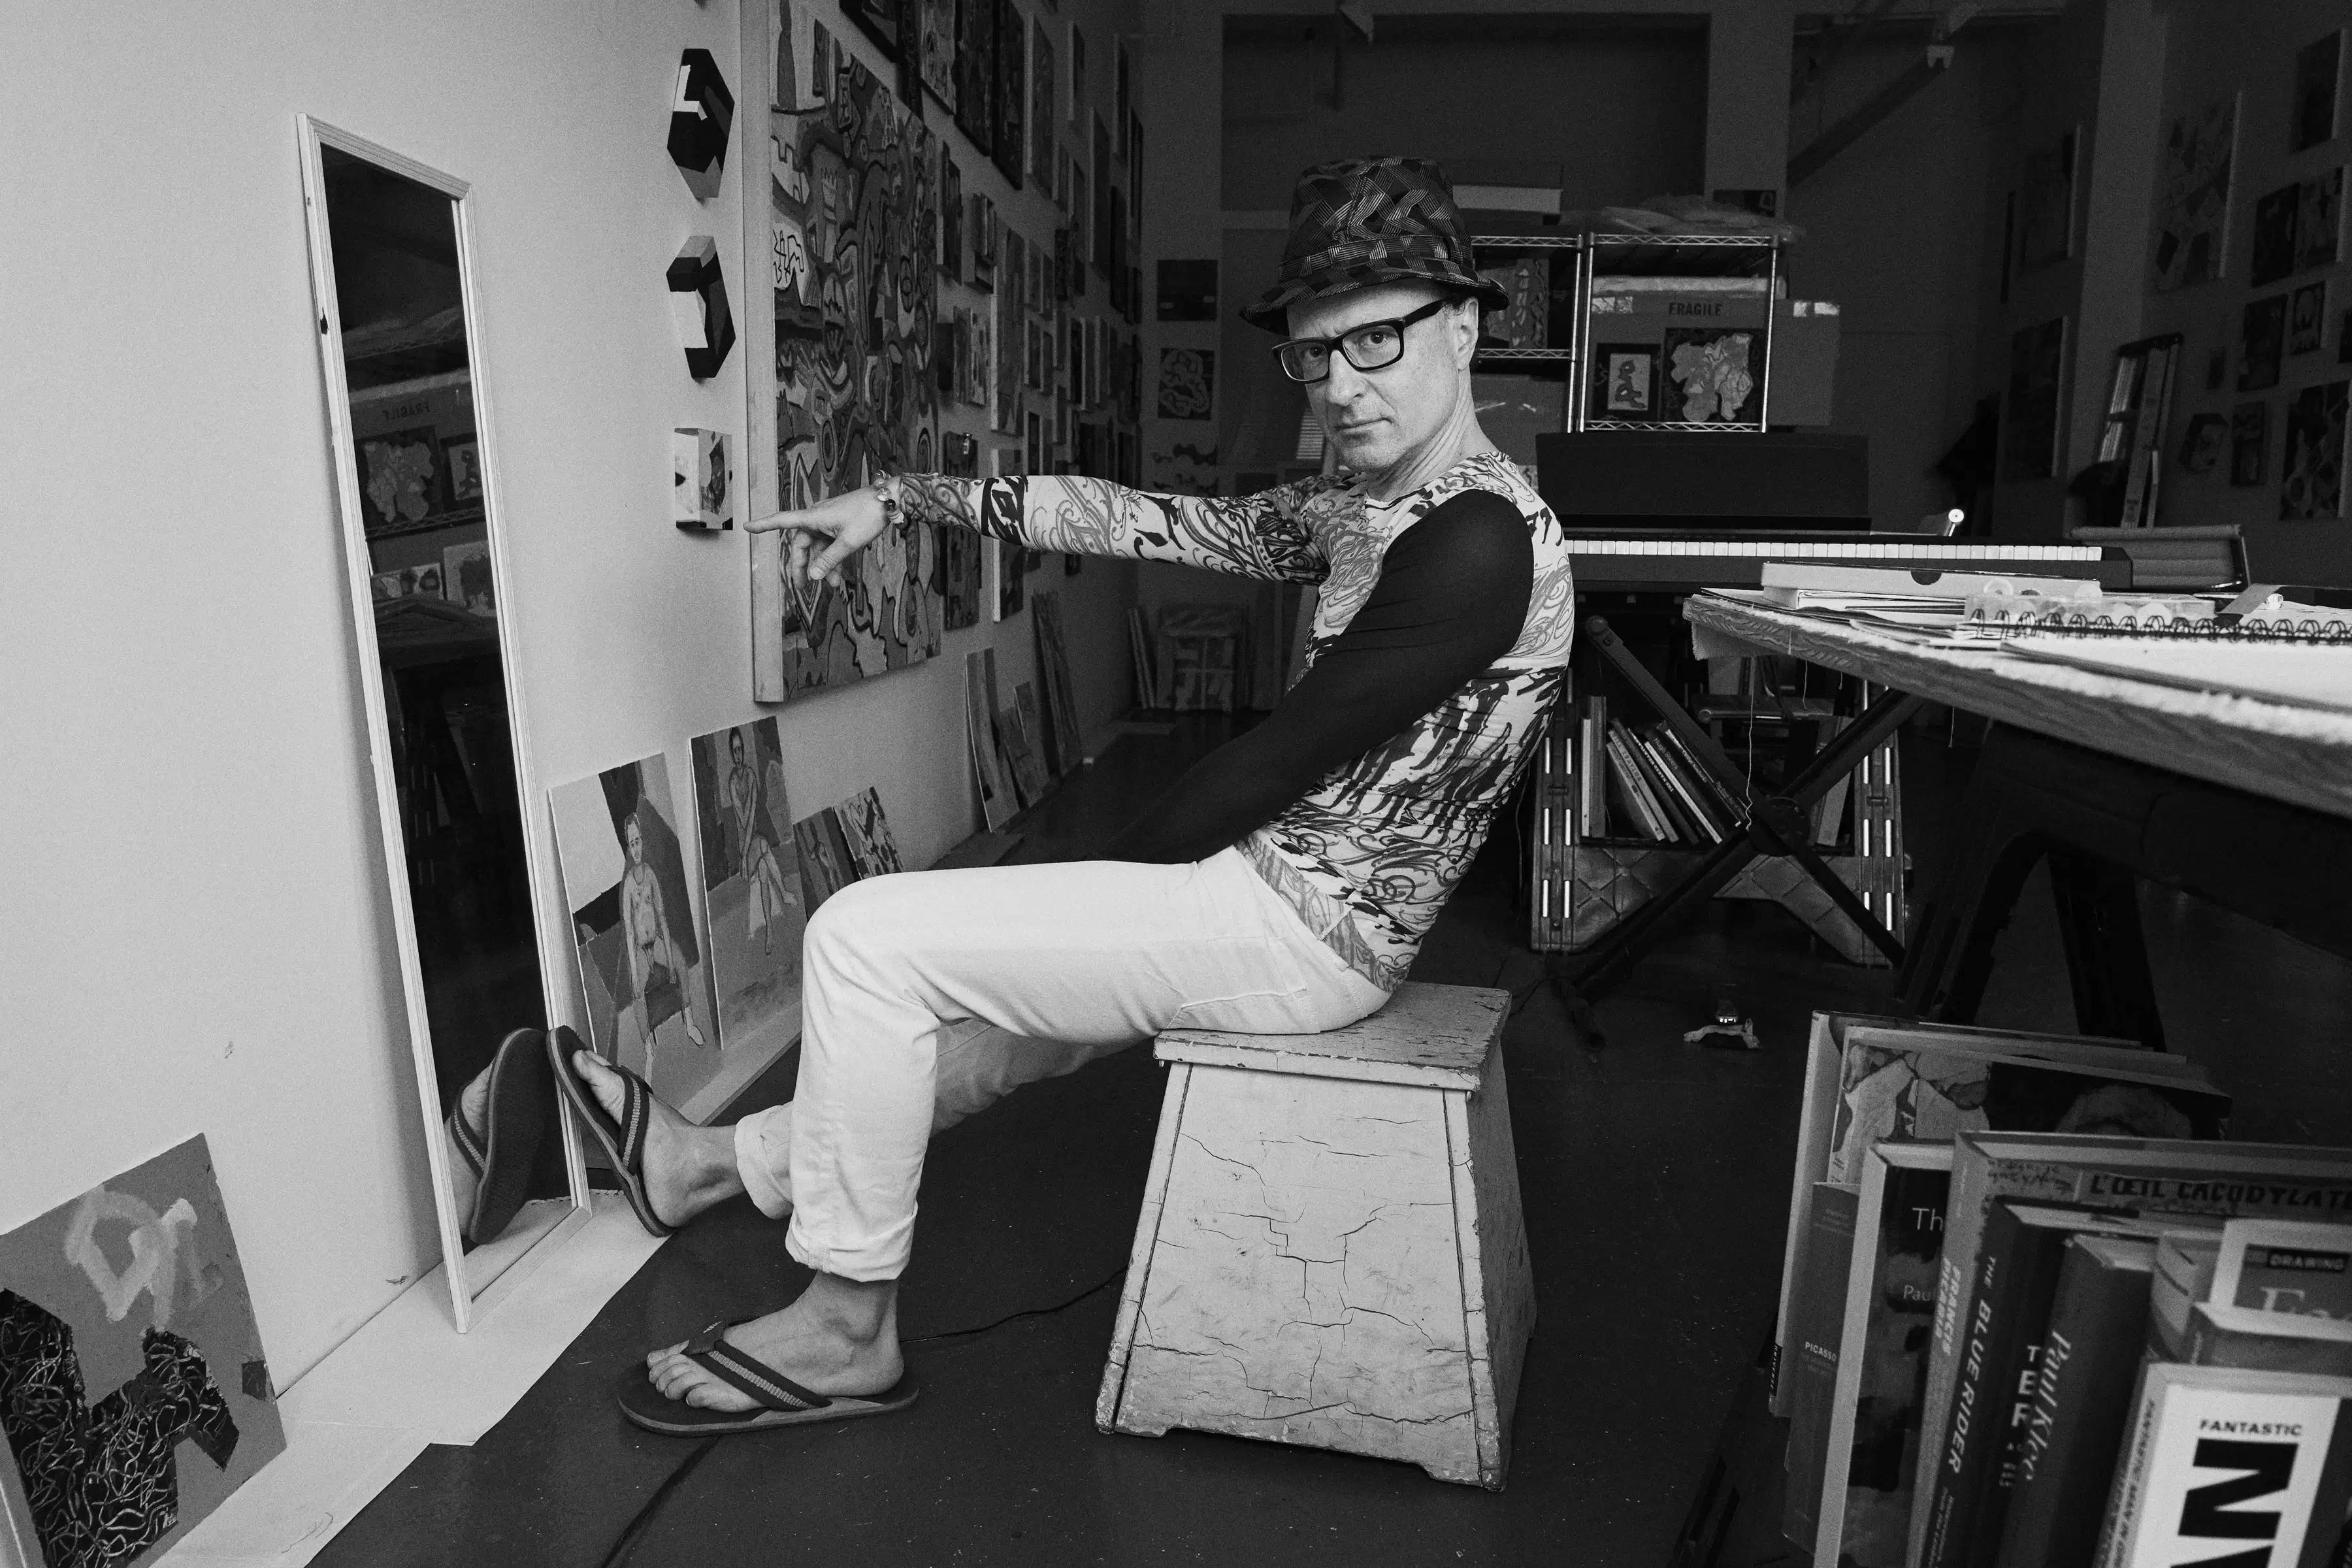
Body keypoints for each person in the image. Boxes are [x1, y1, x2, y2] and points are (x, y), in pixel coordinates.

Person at [555, 156, 1577, 1434]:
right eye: (1315, 358)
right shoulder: (1370, 504)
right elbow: (1147, 523)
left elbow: (1274, 759)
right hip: (1268, 898)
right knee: (986, 1032)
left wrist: (1088, 892)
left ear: (1466, 325)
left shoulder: (1476, 538)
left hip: (1311, 930)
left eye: (1377, 341)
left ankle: (843, 1326)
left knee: (866, 939)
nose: (1342, 388)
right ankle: (706, 1163)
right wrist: (905, 498)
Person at [725, 728, 795, 950]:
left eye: (741, 750)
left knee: (764, 873)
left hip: (752, 841)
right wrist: (743, 856)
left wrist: (747, 857)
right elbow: (742, 819)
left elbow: (751, 813)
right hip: (744, 844)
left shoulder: (751, 776)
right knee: (763, 845)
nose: (738, 755)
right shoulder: (732, 782)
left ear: (744, 751)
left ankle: (770, 933)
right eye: (734, 751)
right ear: (731, 753)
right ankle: (783, 893)